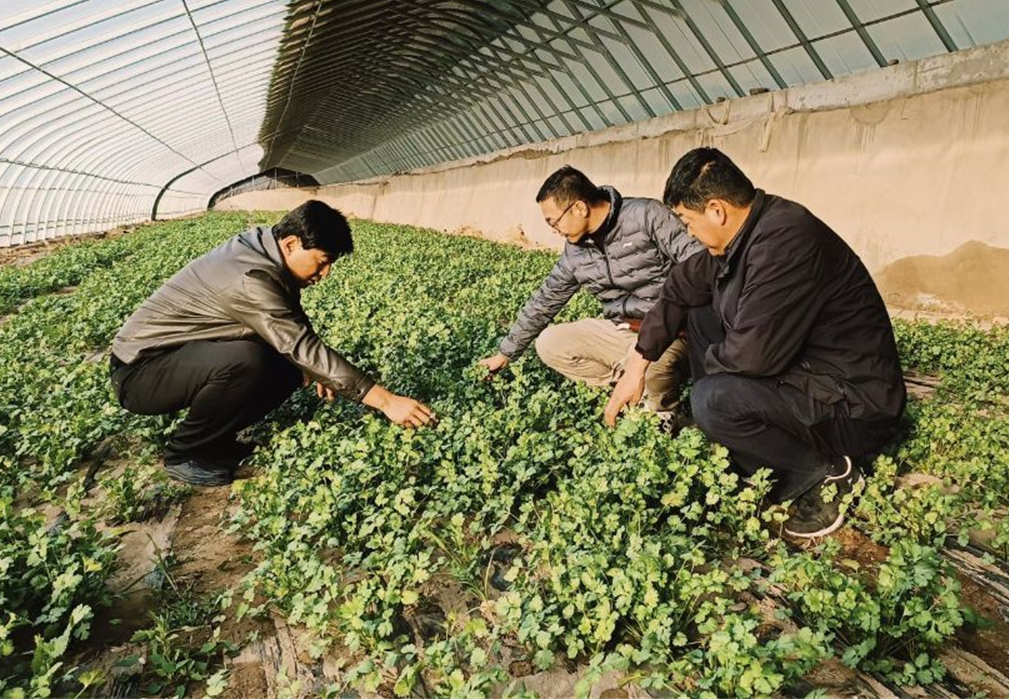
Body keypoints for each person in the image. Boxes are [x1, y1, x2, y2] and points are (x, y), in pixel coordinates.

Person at [604, 148, 906, 539]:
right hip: (808, 375)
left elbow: (753, 356)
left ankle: (824, 476)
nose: (689, 233)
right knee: (699, 312)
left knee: (713, 399)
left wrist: (710, 384)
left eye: (687, 222)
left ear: (717, 210)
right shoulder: (741, 237)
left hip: (853, 405)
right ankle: (736, 434)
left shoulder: (786, 240)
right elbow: (679, 286)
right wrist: (637, 366)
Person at [110, 200, 435, 486]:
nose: (326, 273)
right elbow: (298, 344)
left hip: (179, 360)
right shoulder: (249, 275)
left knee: (288, 367)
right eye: (322, 261)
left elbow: (290, 324)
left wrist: (319, 371)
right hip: (140, 373)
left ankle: (214, 441)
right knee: (247, 361)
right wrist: (386, 401)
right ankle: (184, 454)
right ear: (292, 243)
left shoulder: (266, 250)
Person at [477, 166, 703, 416]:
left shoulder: (646, 216)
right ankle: (628, 387)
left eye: (553, 221)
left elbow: (698, 266)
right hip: (623, 329)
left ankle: (661, 411)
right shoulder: (575, 251)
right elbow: (545, 300)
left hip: (670, 330)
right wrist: (505, 353)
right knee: (551, 343)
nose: (554, 229)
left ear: (580, 208)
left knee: (654, 368)